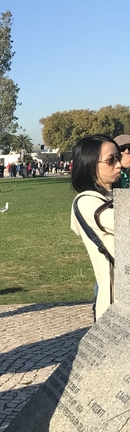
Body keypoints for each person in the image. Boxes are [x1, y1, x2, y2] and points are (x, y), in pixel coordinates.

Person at [70, 135, 121, 320]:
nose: (119, 165)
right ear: (91, 165)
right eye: (110, 160)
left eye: (118, 158)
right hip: (115, 303)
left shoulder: (113, 196)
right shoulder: (86, 201)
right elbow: (122, 223)